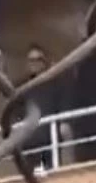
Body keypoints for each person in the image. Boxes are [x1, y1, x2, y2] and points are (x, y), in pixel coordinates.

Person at [13, 44, 71, 173]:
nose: (34, 63)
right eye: (31, 60)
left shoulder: (55, 82)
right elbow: (14, 112)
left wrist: (64, 123)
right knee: (30, 177)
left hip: (50, 138)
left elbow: (64, 102)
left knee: (53, 175)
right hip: (29, 141)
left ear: (44, 62)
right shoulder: (21, 87)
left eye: (38, 59)